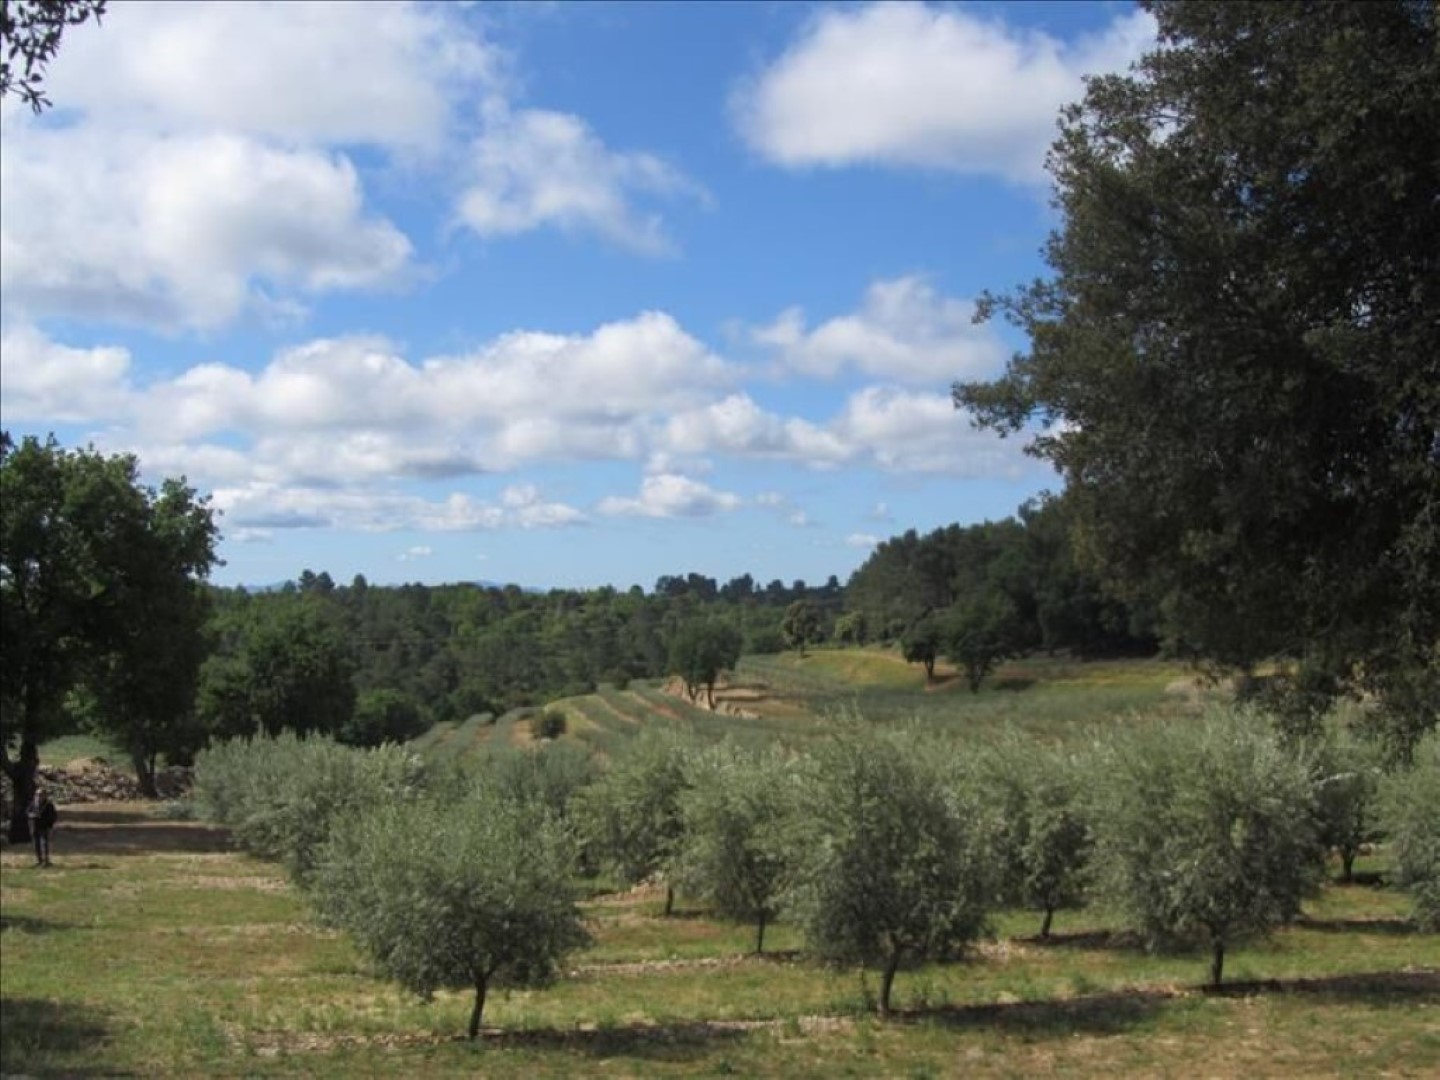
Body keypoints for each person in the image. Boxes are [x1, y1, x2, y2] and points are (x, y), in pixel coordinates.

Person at [27, 788, 58, 867]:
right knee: (36, 844)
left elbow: (53, 816)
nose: (38, 797)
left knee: (44, 844)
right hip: (35, 826)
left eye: (40, 795)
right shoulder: (33, 804)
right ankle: (39, 860)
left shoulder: (48, 805)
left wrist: (49, 823)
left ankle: (46, 861)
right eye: (37, 795)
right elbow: (28, 812)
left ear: (44, 796)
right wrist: (32, 815)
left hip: (44, 827)